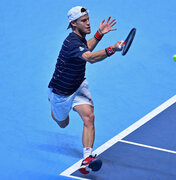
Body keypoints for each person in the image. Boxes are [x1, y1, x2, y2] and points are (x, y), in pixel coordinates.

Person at [48, 6, 123, 174]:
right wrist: (112, 49)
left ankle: (87, 159)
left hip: (78, 85)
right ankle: (54, 109)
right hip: (61, 93)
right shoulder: (72, 42)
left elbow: (86, 48)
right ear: (73, 24)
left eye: (88, 19)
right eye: (84, 21)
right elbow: (89, 58)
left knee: (89, 117)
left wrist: (99, 34)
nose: (88, 23)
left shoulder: (80, 38)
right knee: (63, 123)